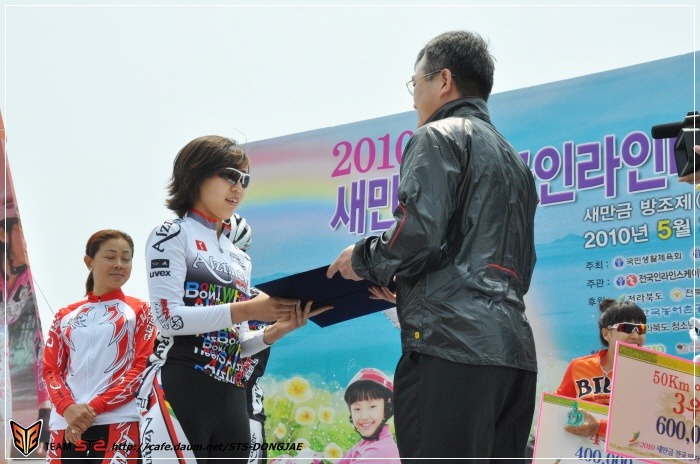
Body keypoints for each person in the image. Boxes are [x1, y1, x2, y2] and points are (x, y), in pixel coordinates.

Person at [327, 30, 538, 461]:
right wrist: (411, 288)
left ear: (443, 80)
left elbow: (419, 234)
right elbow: (512, 265)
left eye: (415, 83)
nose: (412, 100)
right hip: (514, 357)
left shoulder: (437, 135)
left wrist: (361, 258)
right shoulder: (516, 164)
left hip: (450, 350)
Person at [141, 135, 330, 463]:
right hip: (183, 382)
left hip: (232, 393)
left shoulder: (239, 257)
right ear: (196, 174)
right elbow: (168, 319)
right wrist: (250, 308)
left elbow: (238, 344)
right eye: (230, 175)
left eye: (245, 180)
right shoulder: (171, 234)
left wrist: (277, 330)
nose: (238, 187)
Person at [42, 229, 155, 463]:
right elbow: (51, 370)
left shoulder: (141, 310)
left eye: (126, 259)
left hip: (119, 421)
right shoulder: (65, 314)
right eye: (111, 256)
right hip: (65, 424)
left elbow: (141, 368)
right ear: (89, 262)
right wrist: (68, 408)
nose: (119, 264)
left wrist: (92, 409)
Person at [555, 298, 646, 439]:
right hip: (580, 448)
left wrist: (600, 427)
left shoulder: (650, 374)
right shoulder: (579, 366)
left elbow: (650, 424)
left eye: (641, 329)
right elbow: (556, 409)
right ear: (606, 334)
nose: (635, 335)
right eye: (627, 328)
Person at [338, 368, 401, 464]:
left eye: (372, 407)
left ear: (386, 409)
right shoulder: (365, 443)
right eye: (357, 409)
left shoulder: (380, 451)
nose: (364, 416)